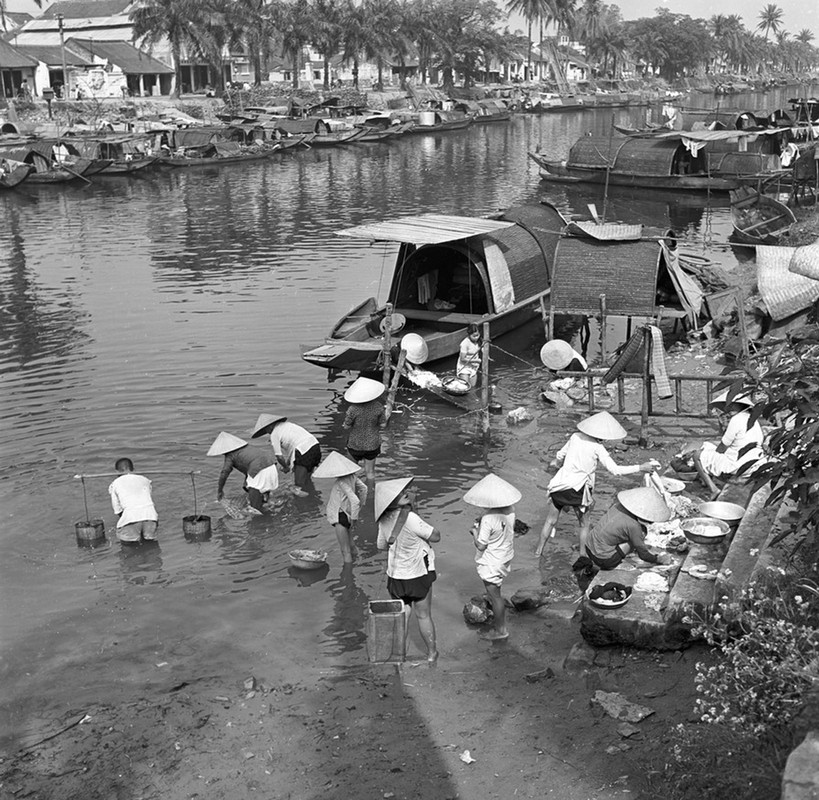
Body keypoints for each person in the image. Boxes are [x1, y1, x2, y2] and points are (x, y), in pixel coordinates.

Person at [535, 411, 660, 557]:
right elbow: (615, 470)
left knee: (550, 521)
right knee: (584, 524)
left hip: (559, 485)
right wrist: (641, 467)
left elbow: (559, 456)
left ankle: (538, 553)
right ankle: (582, 556)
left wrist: (557, 463)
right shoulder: (597, 448)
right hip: (578, 489)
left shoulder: (575, 436)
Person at [376, 477, 440, 663]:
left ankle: (399, 656)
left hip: (396, 577)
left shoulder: (384, 520)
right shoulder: (411, 518)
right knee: (424, 615)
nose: (405, 492)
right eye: (400, 493)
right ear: (392, 501)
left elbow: (381, 545)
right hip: (418, 575)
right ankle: (431, 654)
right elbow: (436, 536)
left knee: (403, 616)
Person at [465, 473, 521, 641]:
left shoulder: (488, 519)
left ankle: (501, 630)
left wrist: (475, 531)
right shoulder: (510, 511)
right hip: (504, 556)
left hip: (492, 561)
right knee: (495, 590)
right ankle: (498, 617)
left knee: (495, 596)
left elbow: (481, 545)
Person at [693, 390, 765, 499]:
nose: (729, 408)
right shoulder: (752, 418)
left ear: (739, 405)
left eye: (731, 405)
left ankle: (713, 489)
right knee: (708, 446)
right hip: (755, 464)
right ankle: (708, 476)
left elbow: (722, 448)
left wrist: (711, 456)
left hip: (739, 467)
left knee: (697, 456)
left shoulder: (736, 420)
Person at [584, 486, 672, 570]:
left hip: (588, 547)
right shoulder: (634, 526)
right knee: (641, 533)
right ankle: (614, 562)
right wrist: (658, 559)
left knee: (636, 533)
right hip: (604, 559)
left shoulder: (617, 506)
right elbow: (643, 555)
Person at [313, 451, 368, 563]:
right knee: (351, 545)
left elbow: (354, 500)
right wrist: (360, 506)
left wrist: (355, 518)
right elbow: (364, 489)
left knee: (345, 551)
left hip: (340, 516)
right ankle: (357, 563)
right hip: (347, 514)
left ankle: (348, 576)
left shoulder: (341, 482)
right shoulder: (353, 477)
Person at [250, 414, 321, 497]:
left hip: (303, 451)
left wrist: (286, 468)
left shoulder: (274, 434)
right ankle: (312, 497)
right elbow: (293, 448)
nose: (267, 432)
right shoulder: (288, 425)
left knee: (298, 484)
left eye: (266, 429)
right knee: (307, 479)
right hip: (315, 447)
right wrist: (287, 464)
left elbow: (279, 457)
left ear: (270, 426)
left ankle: (304, 503)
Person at [207, 431, 279, 512]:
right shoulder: (247, 448)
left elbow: (224, 473)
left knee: (254, 509)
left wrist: (220, 491)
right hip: (271, 465)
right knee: (263, 496)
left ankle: (259, 518)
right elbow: (249, 464)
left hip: (259, 470)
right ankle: (267, 506)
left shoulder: (230, 456)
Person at [343, 376, 387, 481]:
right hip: (372, 444)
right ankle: (370, 495)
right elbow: (383, 425)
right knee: (370, 473)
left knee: (351, 472)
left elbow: (346, 426)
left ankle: (352, 494)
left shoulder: (353, 409)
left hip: (355, 444)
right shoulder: (378, 407)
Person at [108, 458, 159, 543]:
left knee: (129, 550)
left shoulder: (115, 484)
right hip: (151, 517)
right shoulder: (145, 480)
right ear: (133, 469)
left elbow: (117, 510)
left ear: (116, 472)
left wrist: (129, 520)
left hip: (130, 518)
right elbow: (147, 498)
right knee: (151, 546)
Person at [456, 323, 482, 388]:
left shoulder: (479, 341)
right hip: (464, 367)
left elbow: (483, 348)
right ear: (469, 334)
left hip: (473, 367)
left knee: (473, 387)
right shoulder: (465, 343)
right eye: (474, 336)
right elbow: (462, 358)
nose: (476, 338)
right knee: (465, 386)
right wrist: (475, 361)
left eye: (477, 335)